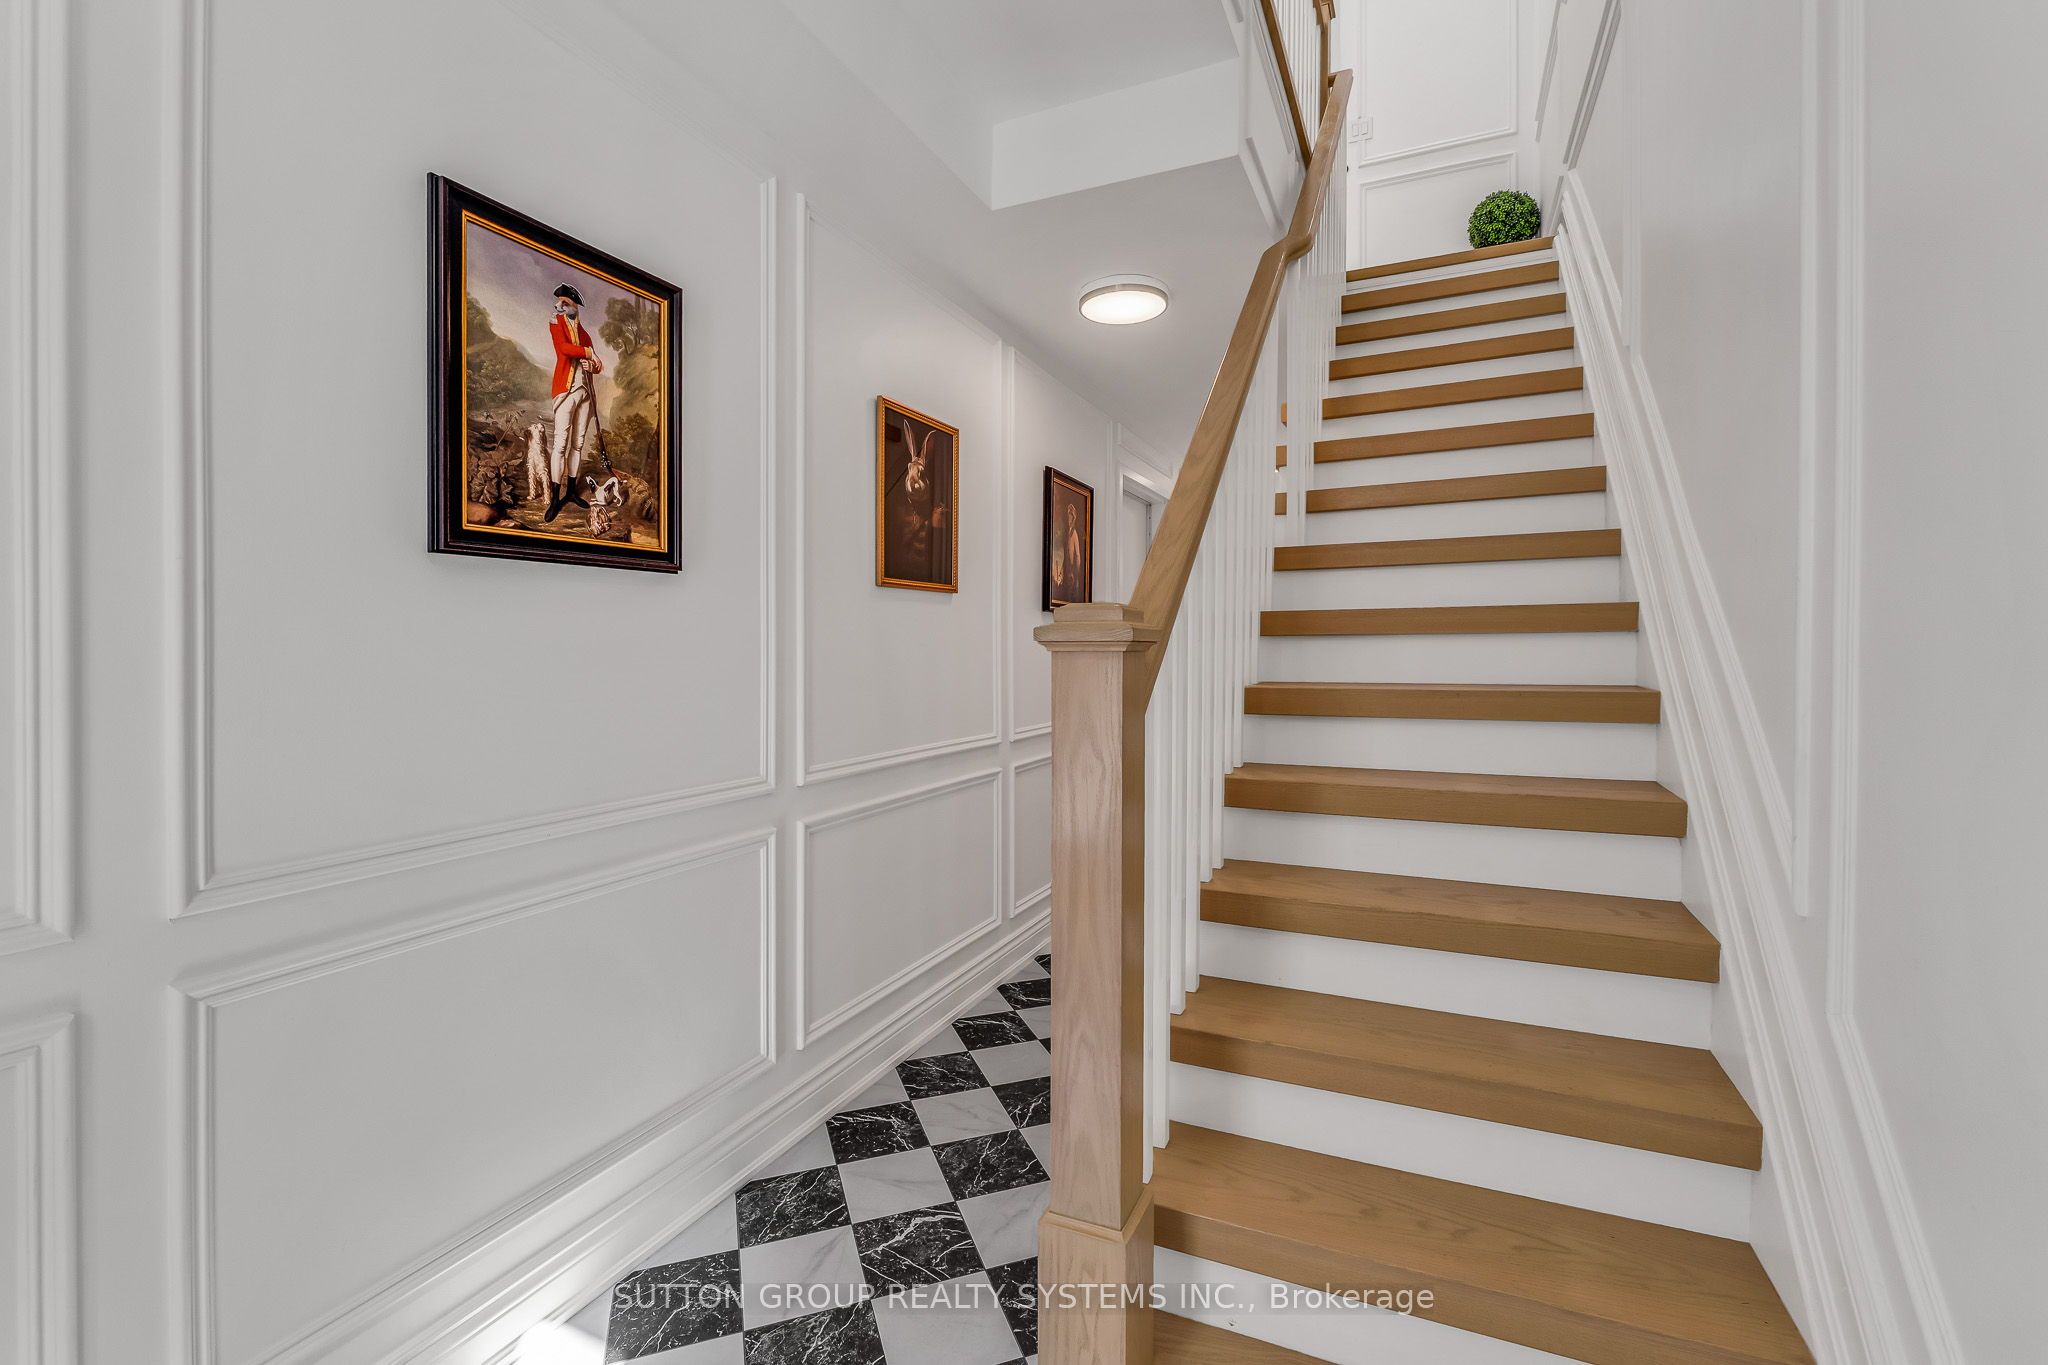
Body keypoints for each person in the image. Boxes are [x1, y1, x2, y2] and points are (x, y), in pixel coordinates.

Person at [544, 283, 604, 523]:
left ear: (574, 306)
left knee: (577, 444)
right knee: (560, 445)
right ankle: (554, 499)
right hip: (566, 391)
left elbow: (597, 366)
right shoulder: (555, 324)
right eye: (559, 302)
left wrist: (594, 365)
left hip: (586, 393)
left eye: (565, 303)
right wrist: (589, 354)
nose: (559, 306)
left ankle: (570, 492)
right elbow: (564, 350)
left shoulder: (586, 334)